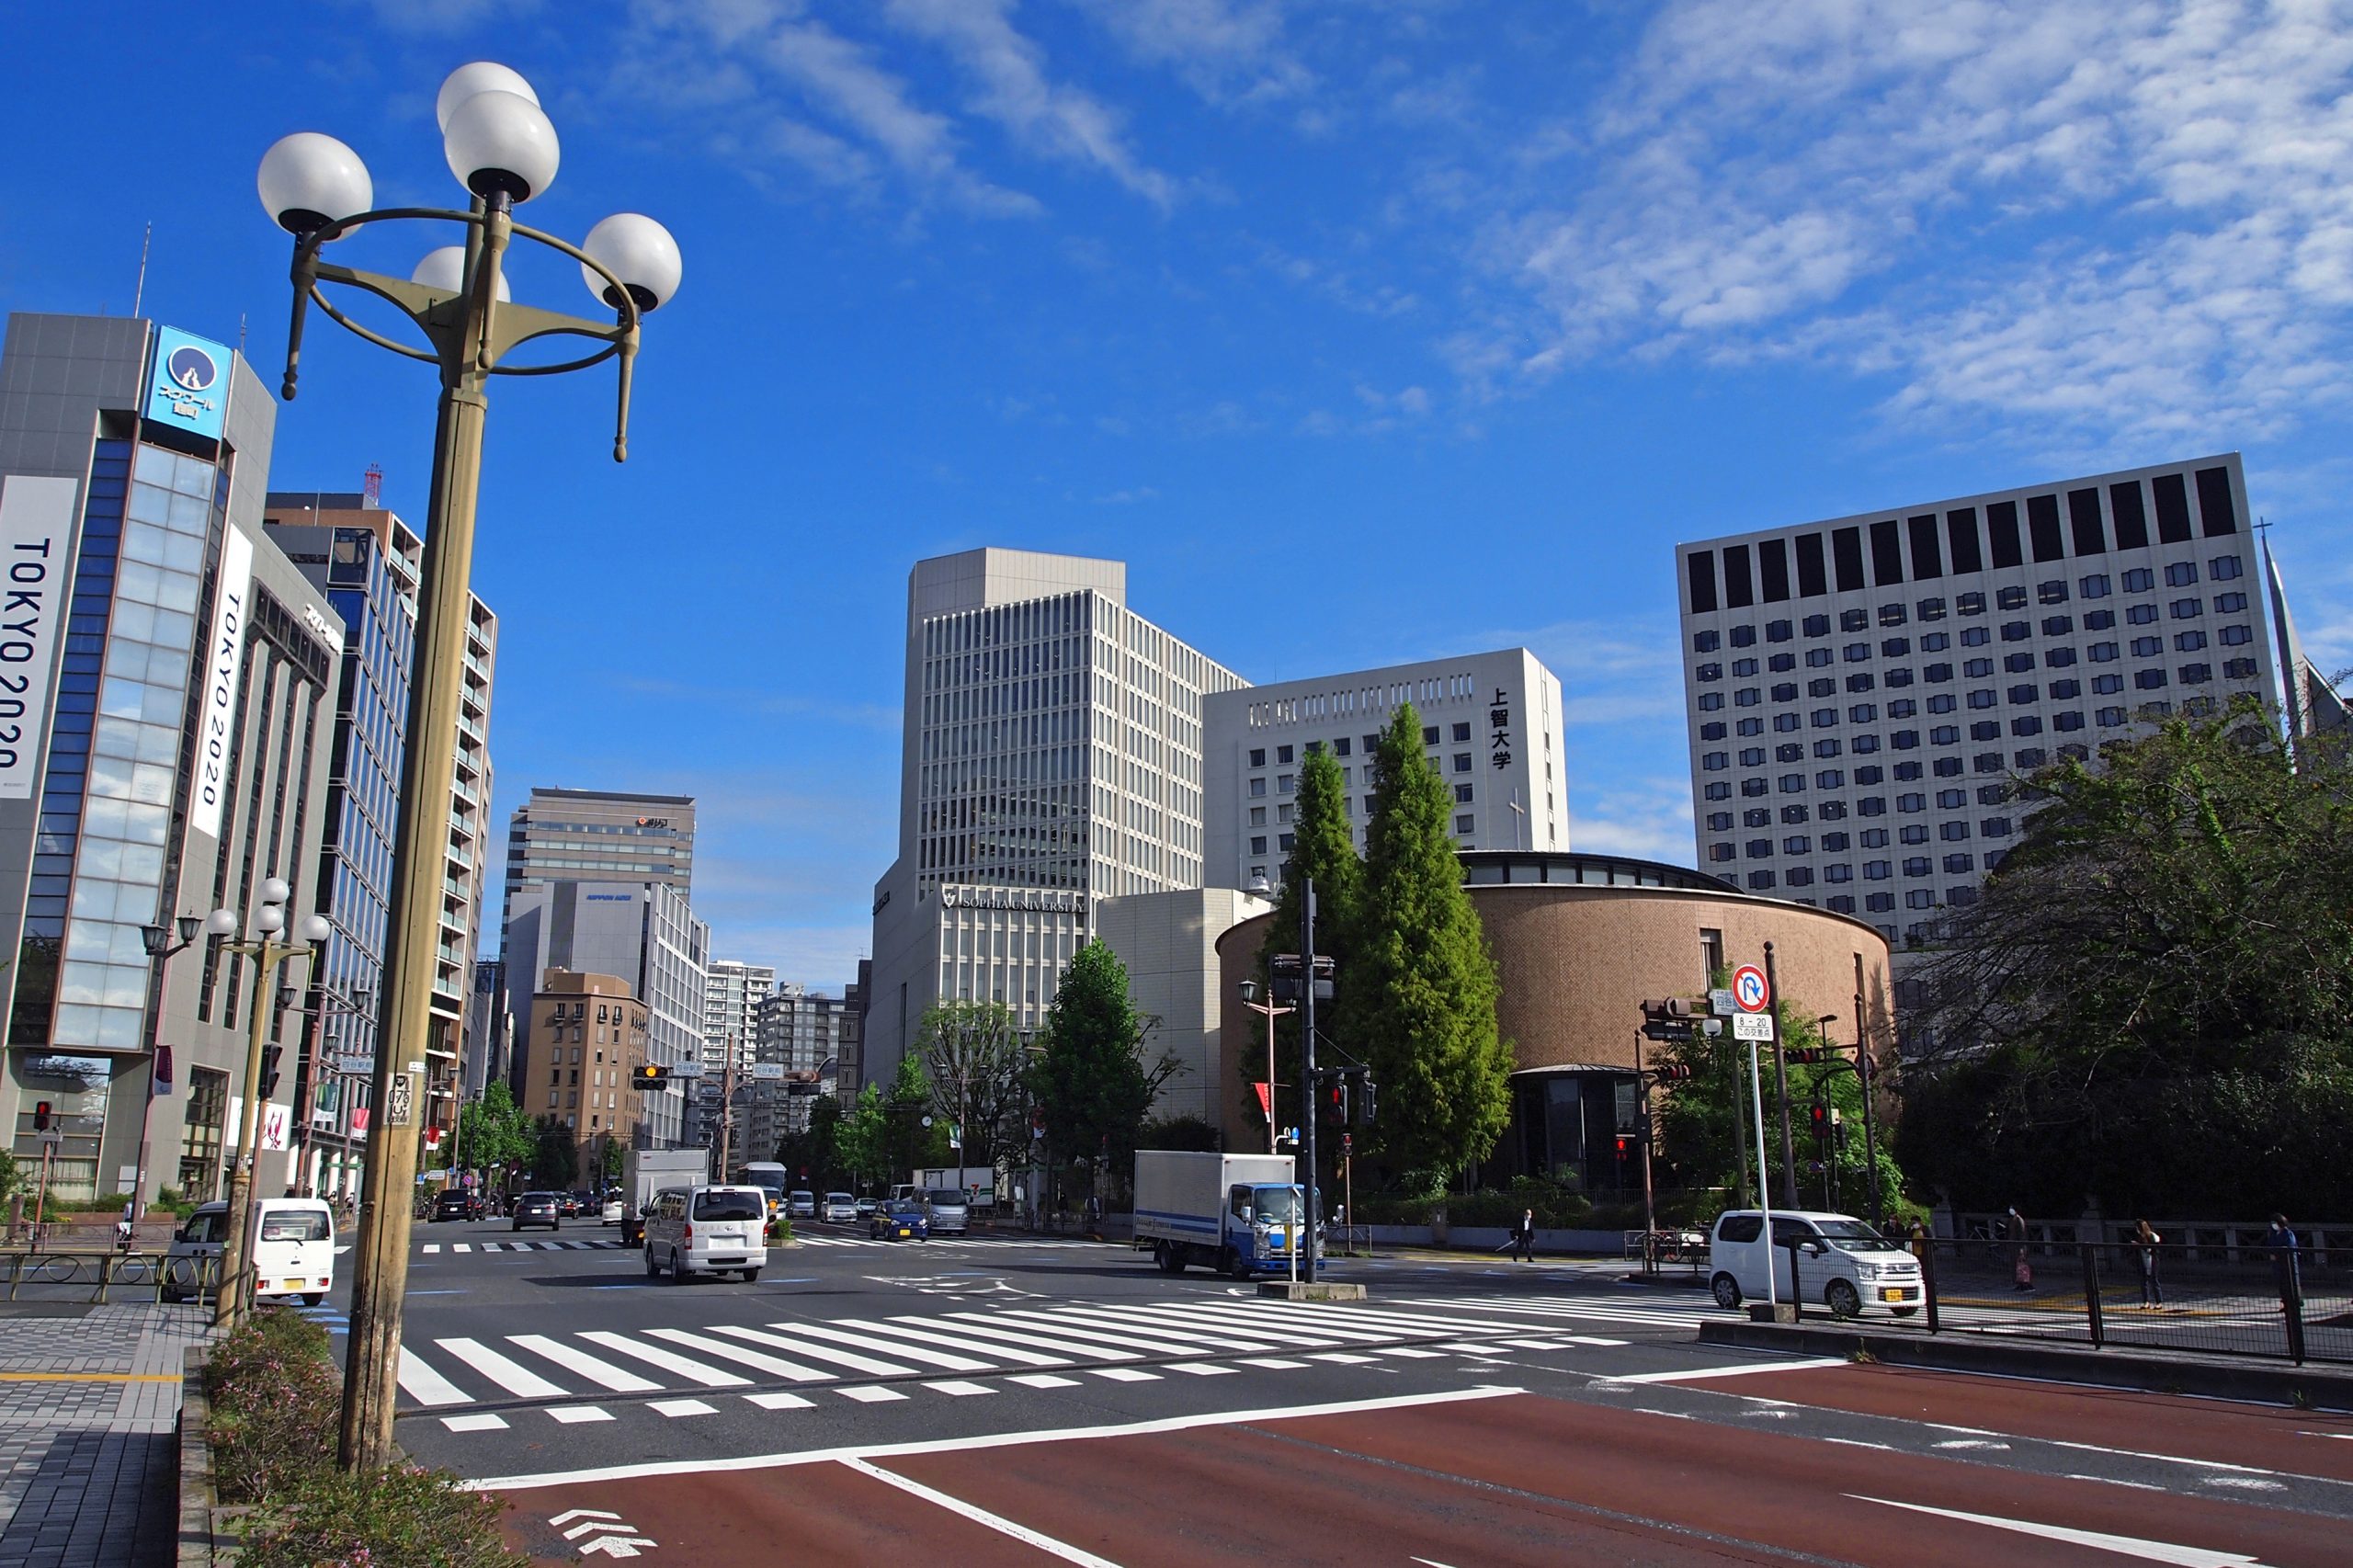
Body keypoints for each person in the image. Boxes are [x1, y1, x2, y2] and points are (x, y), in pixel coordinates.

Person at [2269, 1214, 2302, 1315]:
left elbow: (2290, 1246)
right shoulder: (2274, 1234)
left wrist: (2278, 1254)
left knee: (2291, 1282)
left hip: (2288, 1262)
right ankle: (2286, 1303)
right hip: (2278, 1263)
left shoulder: (2288, 1233)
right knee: (2282, 1284)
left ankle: (2295, 1303)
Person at [2131, 1219, 2163, 1306]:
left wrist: (2139, 1245)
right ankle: (2146, 1301)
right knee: (2143, 1281)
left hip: (2152, 1260)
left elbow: (2151, 1250)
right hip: (2142, 1260)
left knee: (2154, 1281)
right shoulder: (2138, 1236)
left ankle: (2159, 1302)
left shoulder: (2152, 1236)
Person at [2006, 1205, 2033, 1291]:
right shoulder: (2012, 1220)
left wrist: (2021, 1248)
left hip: (2019, 1246)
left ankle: (2025, 1284)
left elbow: (2022, 1234)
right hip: (2013, 1246)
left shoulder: (2019, 1220)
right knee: (2015, 1266)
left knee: (2022, 1266)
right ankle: (2019, 1283)